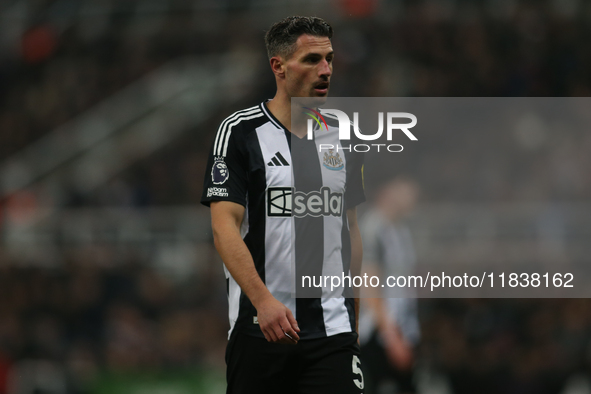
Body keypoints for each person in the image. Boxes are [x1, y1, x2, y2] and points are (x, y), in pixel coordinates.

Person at [201, 16, 366, 394]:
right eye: (311, 60)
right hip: (261, 328)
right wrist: (263, 301)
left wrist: (352, 308)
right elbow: (223, 228)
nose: (325, 70)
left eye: (329, 59)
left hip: (332, 331)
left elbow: (351, 227)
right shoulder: (239, 133)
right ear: (278, 66)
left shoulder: (345, 136)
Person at [358, 178, 421, 394]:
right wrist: (391, 336)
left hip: (401, 326)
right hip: (379, 331)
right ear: (387, 191)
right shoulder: (374, 227)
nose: (413, 194)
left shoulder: (399, 229)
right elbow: (368, 281)